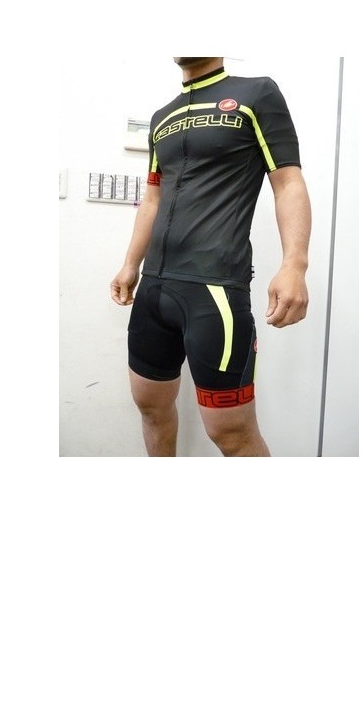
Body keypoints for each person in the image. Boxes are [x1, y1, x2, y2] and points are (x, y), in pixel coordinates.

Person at [110, 57, 312, 457]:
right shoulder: (162, 118)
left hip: (214, 293)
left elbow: (288, 182)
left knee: (231, 433)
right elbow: (153, 198)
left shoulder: (257, 94)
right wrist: (131, 264)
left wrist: (295, 264)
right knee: (150, 407)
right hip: (153, 291)